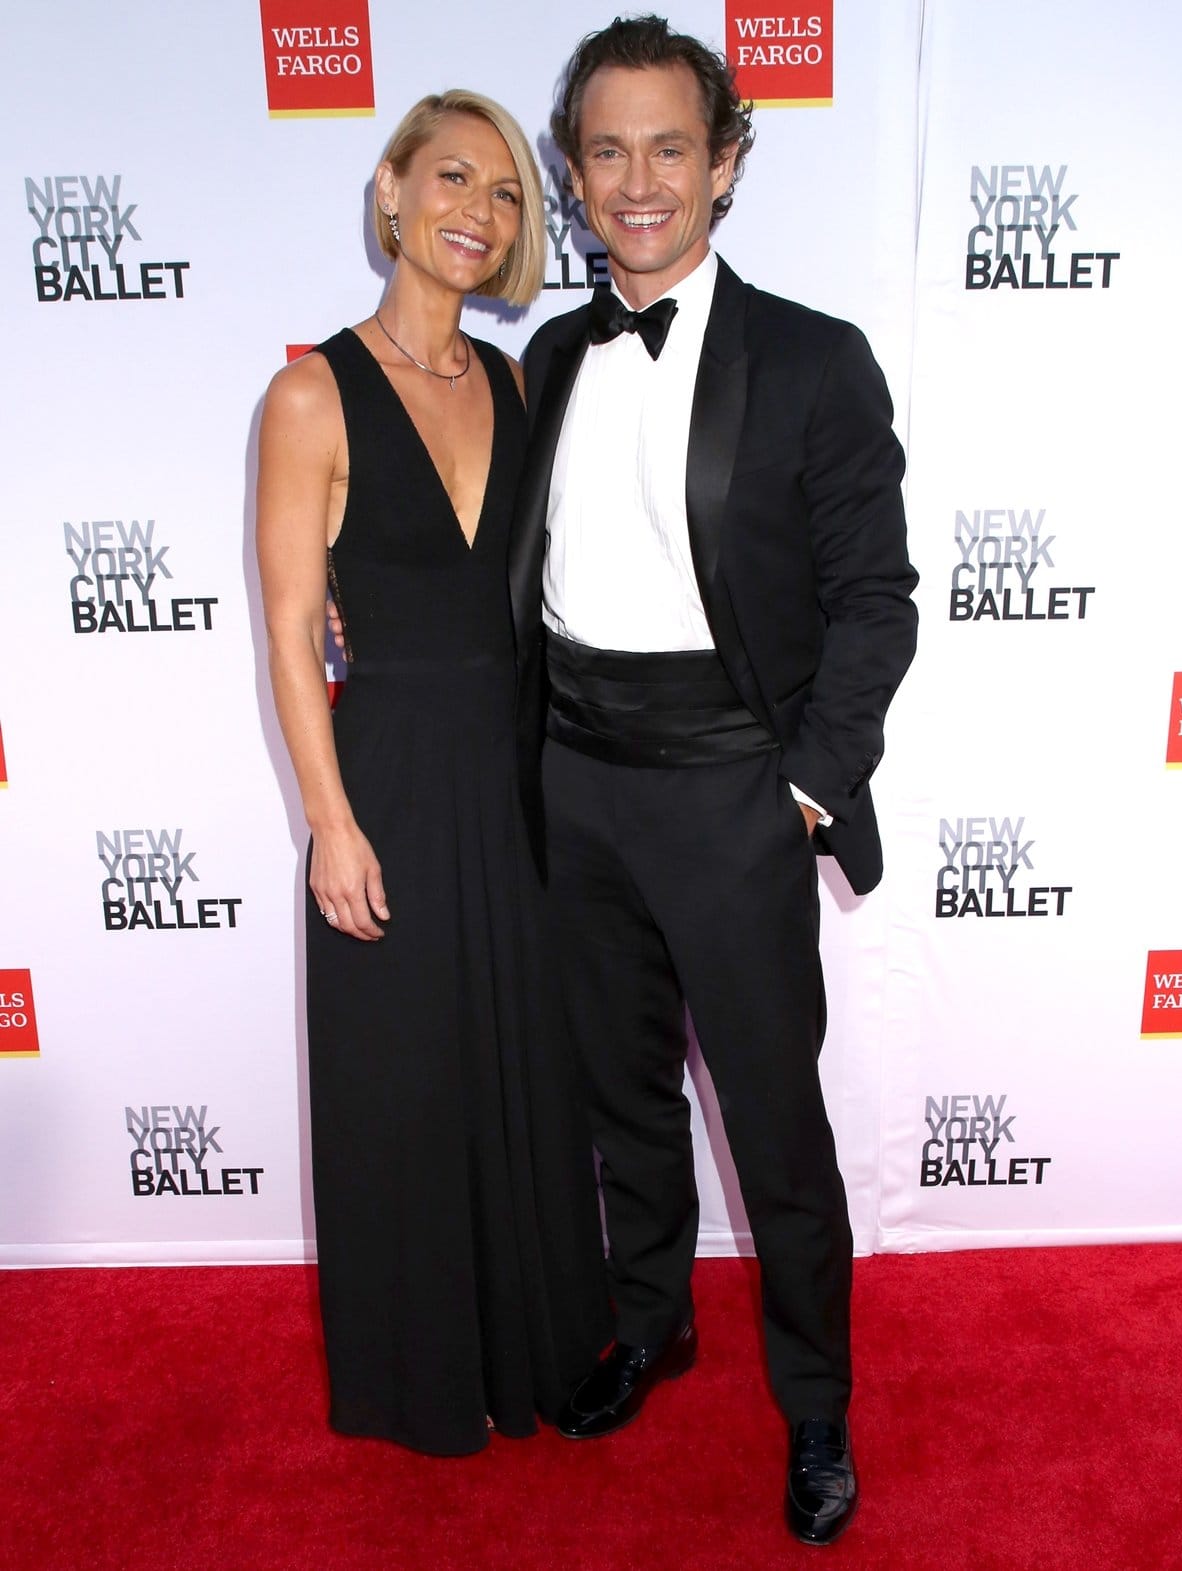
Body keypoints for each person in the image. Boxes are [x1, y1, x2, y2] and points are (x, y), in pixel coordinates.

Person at [509, 17, 919, 1544]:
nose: (638, 181)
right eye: (605, 150)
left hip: (735, 787)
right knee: (619, 1097)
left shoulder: (812, 359)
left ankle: (816, 1407)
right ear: (571, 171)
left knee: (773, 1125)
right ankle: (652, 1319)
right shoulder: (549, 354)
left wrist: (804, 789)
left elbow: (877, 598)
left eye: (670, 146)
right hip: (574, 779)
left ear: (727, 161)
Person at [256, 90, 611, 1457]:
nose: (480, 209)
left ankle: (533, 1347)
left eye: (509, 191)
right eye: (453, 177)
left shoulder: (515, 386)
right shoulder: (308, 392)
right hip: (389, 777)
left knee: (520, 1071)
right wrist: (326, 824)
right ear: (394, 190)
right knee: (400, 1082)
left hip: (517, 782)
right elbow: (293, 625)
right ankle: (417, 1378)